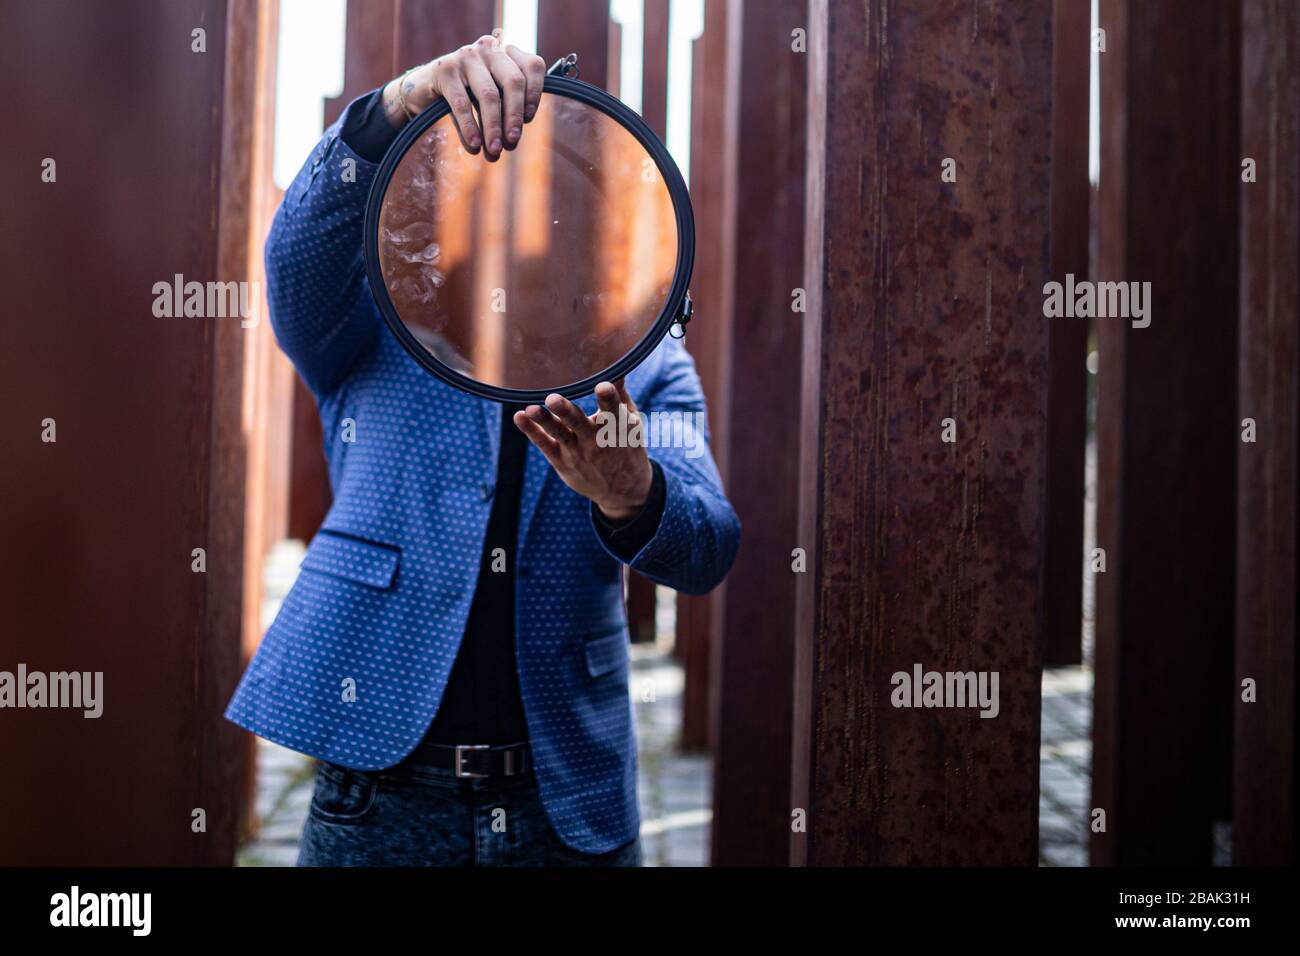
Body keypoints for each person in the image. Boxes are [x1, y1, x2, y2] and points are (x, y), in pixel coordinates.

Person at [223, 34, 740, 866]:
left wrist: (633, 495)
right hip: (377, 787)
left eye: (558, 211)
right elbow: (296, 257)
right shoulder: (384, 324)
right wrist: (400, 101)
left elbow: (709, 546)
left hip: (564, 799)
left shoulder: (645, 363)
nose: (530, 231)